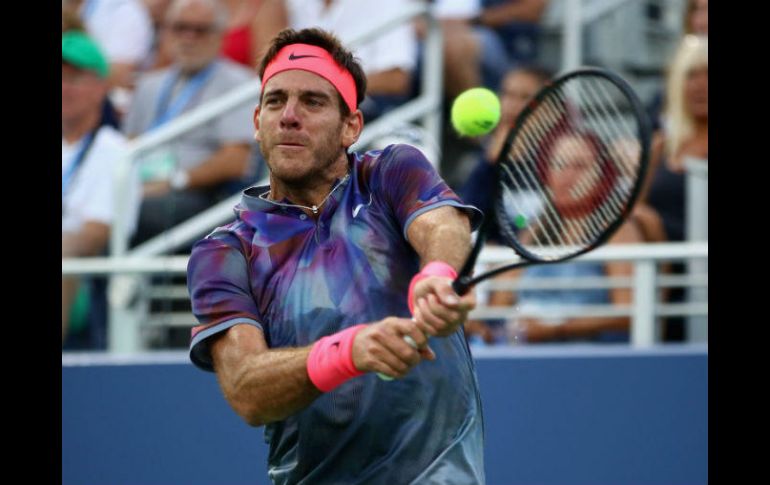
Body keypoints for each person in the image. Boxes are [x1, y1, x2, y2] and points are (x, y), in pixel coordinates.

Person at [187, 27, 485, 483]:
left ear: (352, 126)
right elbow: (246, 388)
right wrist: (348, 352)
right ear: (256, 121)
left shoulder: (389, 172)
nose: (289, 115)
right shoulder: (224, 251)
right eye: (275, 100)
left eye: (313, 102)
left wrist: (438, 275)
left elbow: (442, 223)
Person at [123, 0, 256, 246]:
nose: (189, 37)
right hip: (142, 186)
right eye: (180, 28)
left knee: (132, 212)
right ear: (166, 31)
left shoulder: (238, 83)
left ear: (219, 35)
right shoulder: (149, 84)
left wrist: (176, 180)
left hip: (198, 193)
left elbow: (236, 160)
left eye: (200, 30)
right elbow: (129, 145)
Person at [62, 31, 141, 346]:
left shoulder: (117, 152)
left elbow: (96, 235)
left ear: (100, 87)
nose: (64, 88)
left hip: (82, 281)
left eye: (74, 78)